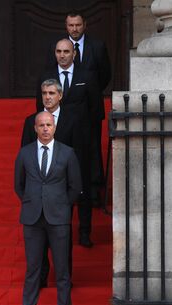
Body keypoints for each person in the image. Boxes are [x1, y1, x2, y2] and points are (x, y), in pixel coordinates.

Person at [14, 111, 82, 305]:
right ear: (35, 128)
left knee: (61, 269)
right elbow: (19, 185)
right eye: (41, 125)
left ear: (54, 128)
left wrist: (62, 205)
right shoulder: (24, 153)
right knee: (33, 268)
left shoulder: (68, 153)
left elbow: (75, 186)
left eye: (48, 125)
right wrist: (32, 202)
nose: (45, 129)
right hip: (32, 218)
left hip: (59, 218)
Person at [36, 38, 102, 249]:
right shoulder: (46, 76)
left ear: (74, 53)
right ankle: (55, 227)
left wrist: (88, 137)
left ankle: (84, 231)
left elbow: (96, 110)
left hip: (80, 140)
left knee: (80, 186)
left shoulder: (87, 75)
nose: (62, 55)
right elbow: (41, 110)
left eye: (66, 51)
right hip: (55, 139)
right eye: (58, 51)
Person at [43, 10, 111, 206]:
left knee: (91, 150)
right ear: (66, 27)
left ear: (85, 25)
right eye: (71, 25)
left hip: (89, 109)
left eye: (78, 25)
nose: (74, 29)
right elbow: (50, 74)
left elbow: (104, 75)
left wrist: (89, 91)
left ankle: (93, 190)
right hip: (63, 111)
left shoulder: (97, 47)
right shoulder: (57, 48)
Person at [22, 78, 85, 288]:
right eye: (44, 93)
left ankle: (64, 279)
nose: (47, 97)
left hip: (62, 191)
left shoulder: (72, 120)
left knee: (62, 240)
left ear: (60, 96)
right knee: (37, 241)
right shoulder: (30, 121)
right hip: (37, 193)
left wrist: (68, 198)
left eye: (51, 93)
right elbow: (23, 158)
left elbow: (78, 155)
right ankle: (41, 277)